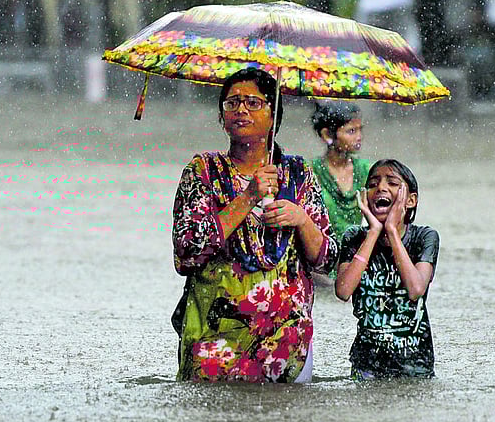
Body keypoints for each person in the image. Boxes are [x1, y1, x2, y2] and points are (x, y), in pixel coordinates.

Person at [171, 68, 338, 382]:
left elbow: (327, 258)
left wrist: (301, 219)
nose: (241, 110)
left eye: (252, 102)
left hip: (287, 338)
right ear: (222, 118)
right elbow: (186, 253)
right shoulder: (203, 171)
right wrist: (248, 197)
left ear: (273, 115)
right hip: (215, 336)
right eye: (231, 104)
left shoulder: (298, 173)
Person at [334, 160, 440, 379]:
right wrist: (373, 232)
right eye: (373, 184)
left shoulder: (424, 237)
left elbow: (416, 288)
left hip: (415, 364)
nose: (380, 188)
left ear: (410, 200)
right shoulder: (354, 237)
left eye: (392, 183)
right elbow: (343, 290)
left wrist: (391, 230)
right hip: (366, 365)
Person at [309, 101, 371, 277]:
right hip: (319, 266)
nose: (359, 137)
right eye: (351, 131)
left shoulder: (367, 170)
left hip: (353, 262)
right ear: (327, 134)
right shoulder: (310, 172)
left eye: (360, 130)